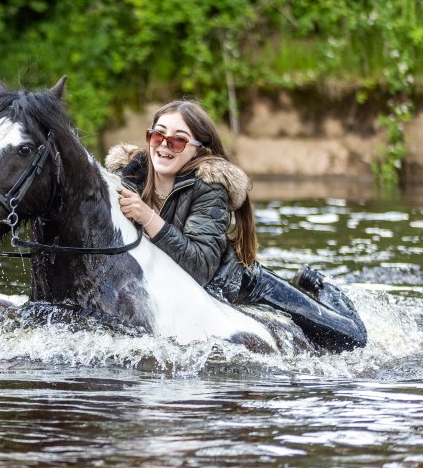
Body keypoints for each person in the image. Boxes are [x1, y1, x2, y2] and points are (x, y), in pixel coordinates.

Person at [105, 99, 367, 352]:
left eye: (178, 140)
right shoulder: (127, 177)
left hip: (241, 286)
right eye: (157, 135)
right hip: (174, 287)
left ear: (200, 149)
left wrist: (149, 218)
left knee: (350, 338)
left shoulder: (209, 187)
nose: (164, 145)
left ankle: (320, 286)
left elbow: (200, 267)